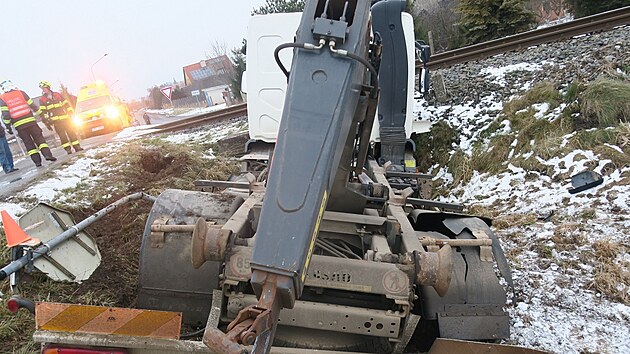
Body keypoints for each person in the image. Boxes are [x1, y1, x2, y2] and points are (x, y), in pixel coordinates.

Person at [0, 80, 56, 167]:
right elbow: (33, 105)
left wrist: (8, 127)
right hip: (31, 122)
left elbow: (6, 114)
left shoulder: (3, 98)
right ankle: (48, 155)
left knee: (29, 144)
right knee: (40, 139)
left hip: (19, 126)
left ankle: (37, 162)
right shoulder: (21, 93)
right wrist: (41, 115)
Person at [38, 81, 83, 154]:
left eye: (44, 88)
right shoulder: (42, 99)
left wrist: (70, 113)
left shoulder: (57, 95)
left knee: (71, 133)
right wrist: (46, 121)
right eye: (42, 88)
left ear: (48, 87)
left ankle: (77, 147)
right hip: (56, 122)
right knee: (62, 136)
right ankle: (68, 149)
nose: (43, 90)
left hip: (66, 119)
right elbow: (43, 111)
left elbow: (66, 104)